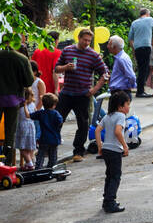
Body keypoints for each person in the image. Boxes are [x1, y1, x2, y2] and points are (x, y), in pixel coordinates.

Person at [55, 28, 108, 163]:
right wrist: (66, 67)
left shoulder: (93, 55)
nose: (86, 43)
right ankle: (50, 148)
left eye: (89, 41)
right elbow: (56, 68)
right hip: (66, 92)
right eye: (84, 40)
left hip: (83, 94)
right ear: (78, 38)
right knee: (57, 120)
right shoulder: (67, 50)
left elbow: (105, 73)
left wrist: (95, 89)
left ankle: (78, 151)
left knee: (83, 123)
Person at [98, 90, 130, 213]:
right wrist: (125, 146)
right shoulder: (121, 116)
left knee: (109, 175)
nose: (128, 107)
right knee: (115, 177)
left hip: (106, 149)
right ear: (120, 106)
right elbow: (118, 132)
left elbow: (97, 130)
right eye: (127, 104)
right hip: (115, 150)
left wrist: (100, 146)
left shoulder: (107, 116)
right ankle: (110, 202)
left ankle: (106, 200)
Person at [29, 93, 65, 169]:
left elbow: (31, 115)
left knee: (41, 155)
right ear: (54, 105)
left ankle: (38, 168)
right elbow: (60, 122)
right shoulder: (56, 114)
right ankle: (52, 168)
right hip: (54, 138)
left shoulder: (41, 113)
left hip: (44, 139)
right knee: (53, 156)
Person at [129, 9, 153, 98]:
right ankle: (140, 91)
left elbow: (130, 38)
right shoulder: (150, 19)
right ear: (147, 14)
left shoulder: (134, 23)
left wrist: (134, 51)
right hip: (146, 46)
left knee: (141, 68)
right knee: (144, 69)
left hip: (137, 48)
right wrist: (152, 46)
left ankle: (140, 89)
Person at [31, 32, 63, 96]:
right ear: (56, 41)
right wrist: (56, 89)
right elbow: (55, 72)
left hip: (37, 85)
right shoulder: (57, 52)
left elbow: (31, 67)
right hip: (50, 88)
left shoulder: (37, 51)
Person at [15, 87, 38, 168]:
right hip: (31, 126)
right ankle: (29, 162)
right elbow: (35, 113)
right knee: (30, 147)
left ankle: (29, 163)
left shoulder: (20, 106)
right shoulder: (33, 104)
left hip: (22, 127)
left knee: (22, 147)